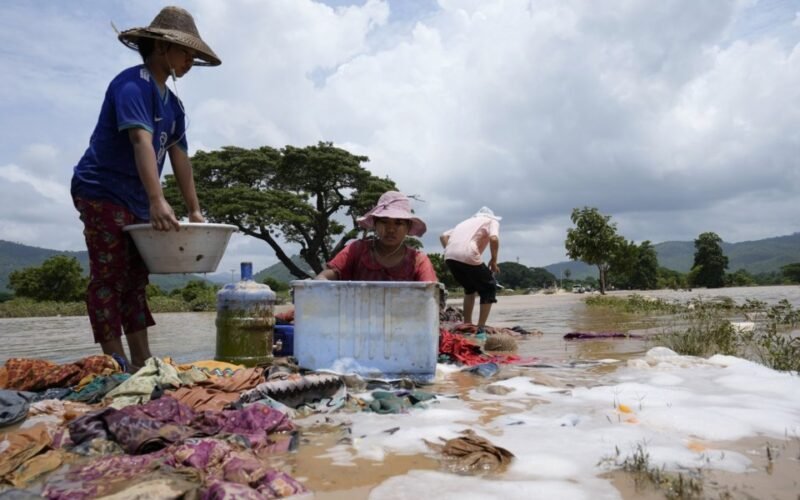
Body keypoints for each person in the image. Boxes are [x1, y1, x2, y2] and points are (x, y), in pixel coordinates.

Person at [70, 6, 220, 371]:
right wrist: (157, 199)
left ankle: (142, 360)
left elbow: (180, 157)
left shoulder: (175, 105)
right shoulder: (132, 84)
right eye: (185, 52)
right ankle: (114, 363)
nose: (189, 60)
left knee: (136, 278)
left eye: (193, 55)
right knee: (109, 275)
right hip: (101, 189)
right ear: (161, 47)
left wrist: (194, 210)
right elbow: (141, 140)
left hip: (137, 198)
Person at [316, 191, 438, 282]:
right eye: (384, 222)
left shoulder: (418, 261)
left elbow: (431, 294)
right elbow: (325, 275)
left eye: (398, 223)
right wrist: (321, 282)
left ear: (408, 227)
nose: (390, 229)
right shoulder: (356, 250)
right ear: (375, 223)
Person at [440, 207, 501, 333]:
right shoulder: (491, 221)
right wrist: (494, 260)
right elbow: (494, 239)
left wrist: (452, 250)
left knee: (470, 289)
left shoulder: (465, 223)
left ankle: (467, 324)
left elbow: (443, 236)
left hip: (449, 256)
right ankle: (481, 327)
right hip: (468, 253)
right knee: (489, 287)